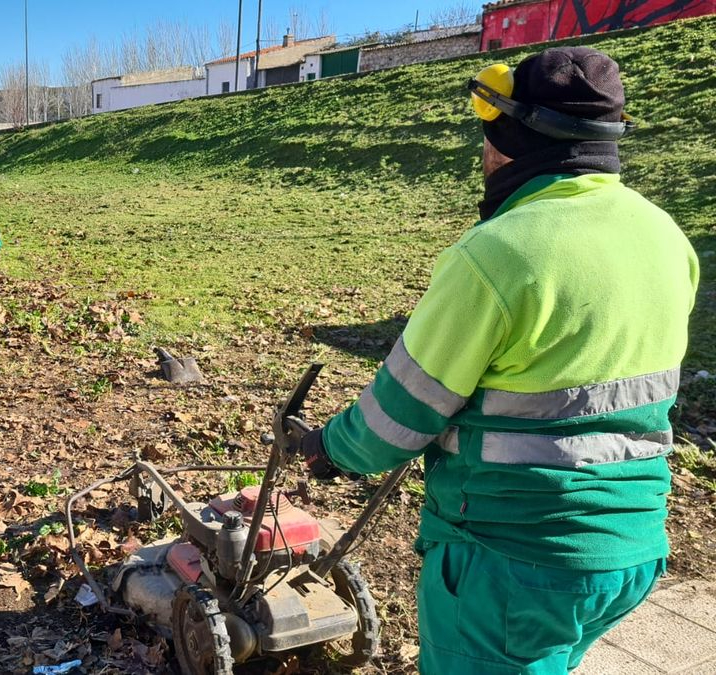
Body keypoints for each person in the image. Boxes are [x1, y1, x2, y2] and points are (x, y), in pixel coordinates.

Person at [288, 47, 698, 673]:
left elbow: (398, 415)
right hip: (630, 552)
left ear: (517, 138)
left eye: (489, 135)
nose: (483, 154)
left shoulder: (498, 254)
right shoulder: (666, 238)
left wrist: (329, 448)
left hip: (514, 557)